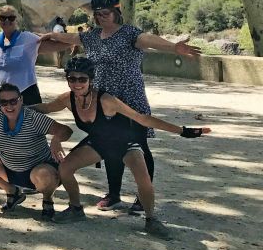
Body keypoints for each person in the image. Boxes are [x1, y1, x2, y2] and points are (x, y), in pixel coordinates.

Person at [39, 0, 201, 212]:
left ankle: (143, 199)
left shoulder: (129, 34)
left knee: (139, 148)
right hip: (101, 100)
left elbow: (148, 40)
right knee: (109, 146)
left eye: (105, 13)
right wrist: (49, 36)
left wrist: (173, 47)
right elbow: (73, 38)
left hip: (130, 98)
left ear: (117, 12)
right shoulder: (93, 36)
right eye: (97, 14)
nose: (100, 18)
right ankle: (114, 194)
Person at [35, 57, 210, 238]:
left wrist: (183, 131)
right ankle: (75, 209)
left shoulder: (106, 100)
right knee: (65, 168)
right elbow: (46, 107)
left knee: (144, 181)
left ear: (90, 80)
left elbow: (143, 119)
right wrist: (15, 105)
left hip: (125, 142)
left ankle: (151, 220)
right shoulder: (67, 99)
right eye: (72, 79)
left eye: (82, 79)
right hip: (99, 143)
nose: (77, 83)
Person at [0, 83, 72, 217]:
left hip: (38, 170)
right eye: (4, 102)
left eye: (13, 101)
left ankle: (48, 199)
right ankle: (12, 191)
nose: (9, 106)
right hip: (10, 168)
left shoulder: (33, 118)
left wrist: (56, 140)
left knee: (45, 175)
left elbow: (65, 130)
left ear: (21, 100)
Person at [0, 4, 54, 107]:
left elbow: (59, 45)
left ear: (17, 20)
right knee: (2, 123)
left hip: (26, 95)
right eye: (2, 18)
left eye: (11, 18)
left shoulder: (29, 39)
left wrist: (56, 36)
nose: (7, 21)